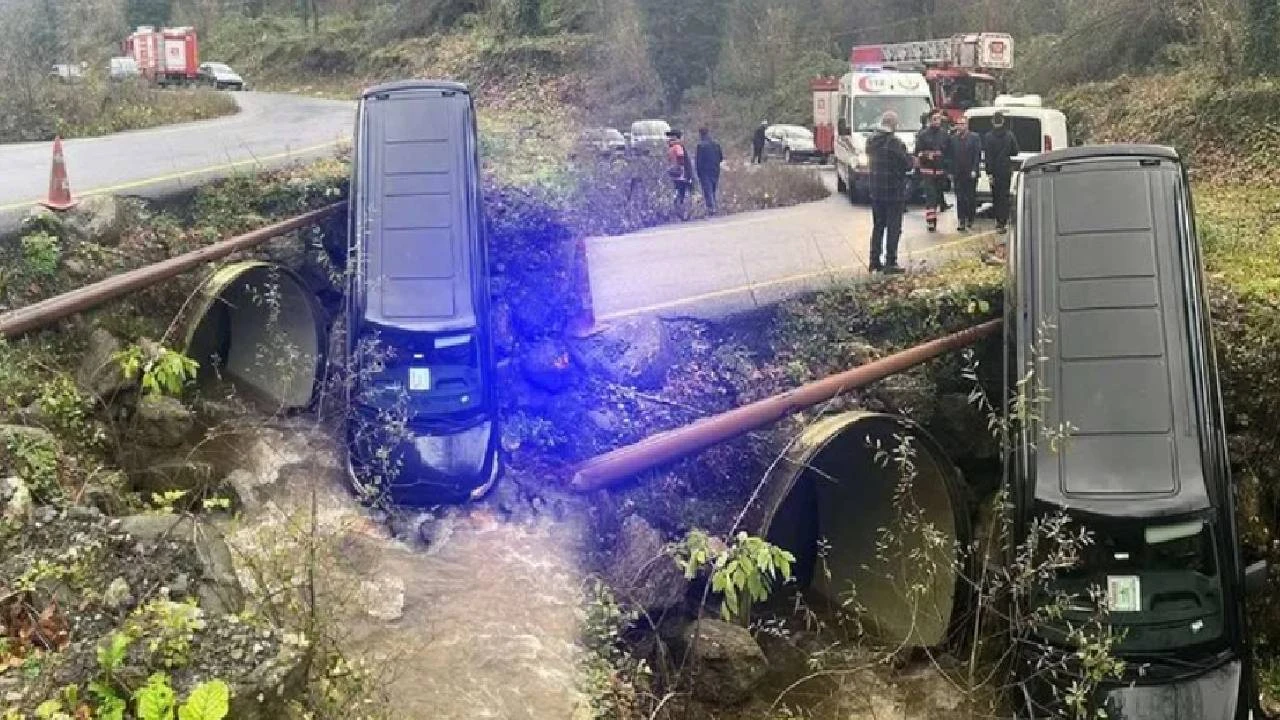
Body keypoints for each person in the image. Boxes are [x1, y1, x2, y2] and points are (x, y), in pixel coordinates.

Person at [867, 111, 911, 274]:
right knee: (894, 228)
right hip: (893, 192)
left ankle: (874, 261)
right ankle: (890, 262)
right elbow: (907, 164)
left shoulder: (871, 141)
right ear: (893, 125)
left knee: (878, 226)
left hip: (876, 191)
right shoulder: (895, 143)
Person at [983, 111, 1020, 233]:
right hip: (1005, 169)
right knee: (1004, 196)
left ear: (993, 122)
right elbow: (1015, 151)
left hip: (994, 170)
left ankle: (998, 221)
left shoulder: (988, 137)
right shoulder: (1009, 135)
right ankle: (1003, 221)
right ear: (1003, 121)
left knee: (996, 196)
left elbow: (987, 156)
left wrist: (989, 172)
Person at [914, 111, 949, 232]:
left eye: (939, 119)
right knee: (931, 197)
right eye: (934, 119)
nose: (937, 121)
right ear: (930, 120)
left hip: (940, 172)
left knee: (937, 197)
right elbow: (917, 152)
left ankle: (934, 216)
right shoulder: (923, 135)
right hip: (927, 171)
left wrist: (945, 163)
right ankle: (931, 222)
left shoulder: (944, 135)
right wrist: (926, 155)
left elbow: (949, 152)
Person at [946, 115, 983, 232]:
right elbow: (950, 156)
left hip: (970, 172)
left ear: (967, 125)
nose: (961, 126)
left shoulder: (974, 138)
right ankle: (961, 220)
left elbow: (977, 155)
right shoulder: (952, 139)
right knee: (960, 197)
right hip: (958, 173)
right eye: (959, 124)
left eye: (963, 124)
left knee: (970, 197)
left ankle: (970, 218)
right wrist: (950, 172)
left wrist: (974, 170)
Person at [666, 129, 695, 219]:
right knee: (685, 193)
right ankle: (684, 212)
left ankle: (680, 211)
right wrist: (686, 171)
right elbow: (681, 157)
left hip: (674, 174)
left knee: (679, 192)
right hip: (681, 174)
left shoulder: (670, 147)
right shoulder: (678, 146)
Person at [695, 127, 724, 215]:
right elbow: (721, 158)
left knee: (708, 190)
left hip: (705, 171)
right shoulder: (716, 144)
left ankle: (711, 208)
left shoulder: (700, 146)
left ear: (700, 134)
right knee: (714, 189)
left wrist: (698, 172)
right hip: (715, 169)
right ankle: (715, 206)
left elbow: (699, 161)